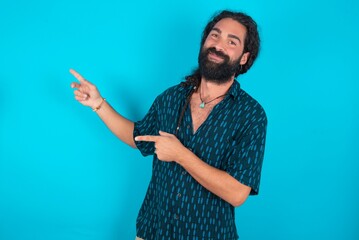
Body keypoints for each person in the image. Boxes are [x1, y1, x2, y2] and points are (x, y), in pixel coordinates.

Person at [70, 10, 267, 240]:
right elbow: (138, 136)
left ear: (244, 57)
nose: (218, 45)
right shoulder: (171, 98)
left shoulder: (251, 115)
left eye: (231, 41)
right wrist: (98, 103)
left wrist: (181, 154)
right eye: (214, 35)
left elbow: (237, 193)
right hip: (153, 232)